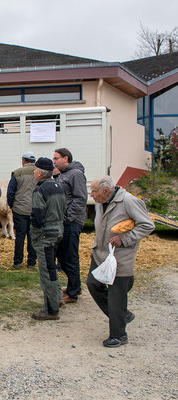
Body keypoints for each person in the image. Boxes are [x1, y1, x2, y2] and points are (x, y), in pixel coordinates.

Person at [86, 176, 154, 347]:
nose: (91, 194)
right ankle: (122, 315)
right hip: (101, 253)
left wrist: (125, 239)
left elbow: (147, 225)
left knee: (117, 295)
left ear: (106, 191)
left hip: (120, 256)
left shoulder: (129, 202)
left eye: (94, 191)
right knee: (93, 284)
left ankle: (119, 334)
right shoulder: (101, 202)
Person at [30, 157, 67, 321]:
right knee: (52, 267)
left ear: (39, 172)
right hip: (58, 231)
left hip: (45, 235)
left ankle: (50, 310)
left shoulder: (41, 190)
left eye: (34, 170)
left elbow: (37, 217)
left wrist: (35, 235)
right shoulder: (59, 187)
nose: (33, 173)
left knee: (46, 272)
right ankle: (57, 298)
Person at [53, 148, 88, 303]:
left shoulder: (76, 174)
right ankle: (75, 286)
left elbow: (80, 199)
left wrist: (67, 218)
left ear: (65, 158)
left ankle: (73, 293)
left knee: (70, 256)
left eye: (56, 158)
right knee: (62, 256)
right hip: (64, 222)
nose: (53, 161)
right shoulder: (63, 174)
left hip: (72, 223)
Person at [7, 151, 38, 269]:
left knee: (20, 236)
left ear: (23, 161)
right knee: (33, 236)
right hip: (35, 210)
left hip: (19, 210)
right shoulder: (39, 173)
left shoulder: (17, 172)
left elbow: (11, 192)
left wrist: (12, 205)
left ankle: (17, 262)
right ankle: (31, 262)